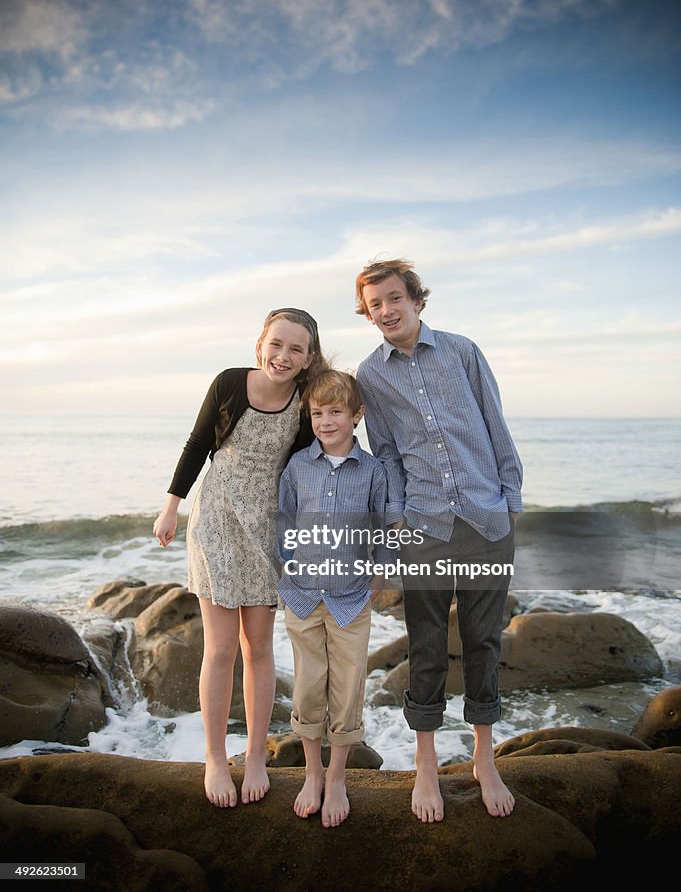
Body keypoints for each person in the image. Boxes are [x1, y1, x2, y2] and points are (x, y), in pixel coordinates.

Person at [354, 259, 522, 822]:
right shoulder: (370, 376)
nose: (386, 310)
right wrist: (398, 518)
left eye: (394, 298)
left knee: (482, 641)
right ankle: (426, 765)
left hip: (485, 522)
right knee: (425, 649)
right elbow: (387, 453)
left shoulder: (463, 351)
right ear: (368, 312)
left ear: (417, 300)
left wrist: (511, 501)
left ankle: (483, 756)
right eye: (375, 304)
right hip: (423, 529)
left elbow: (495, 425)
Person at [152, 308, 327, 809]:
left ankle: (254, 757)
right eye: (277, 344)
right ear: (260, 344)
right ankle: (213, 757)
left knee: (260, 646)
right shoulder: (229, 383)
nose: (283, 355)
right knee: (221, 647)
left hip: (268, 527)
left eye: (296, 349)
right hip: (216, 521)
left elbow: (315, 464)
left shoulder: (305, 403)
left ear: (308, 358)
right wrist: (171, 507)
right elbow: (196, 444)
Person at [276, 370, 395, 827]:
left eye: (336, 412)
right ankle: (311, 774)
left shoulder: (372, 472)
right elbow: (284, 520)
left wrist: (380, 570)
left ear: (356, 416)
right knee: (308, 686)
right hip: (303, 596)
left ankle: (338, 776)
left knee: (347, 689)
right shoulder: (298, 467)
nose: (325, 421)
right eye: (317, 413)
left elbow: (385, 525)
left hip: (350, 598)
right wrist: (285, 563)